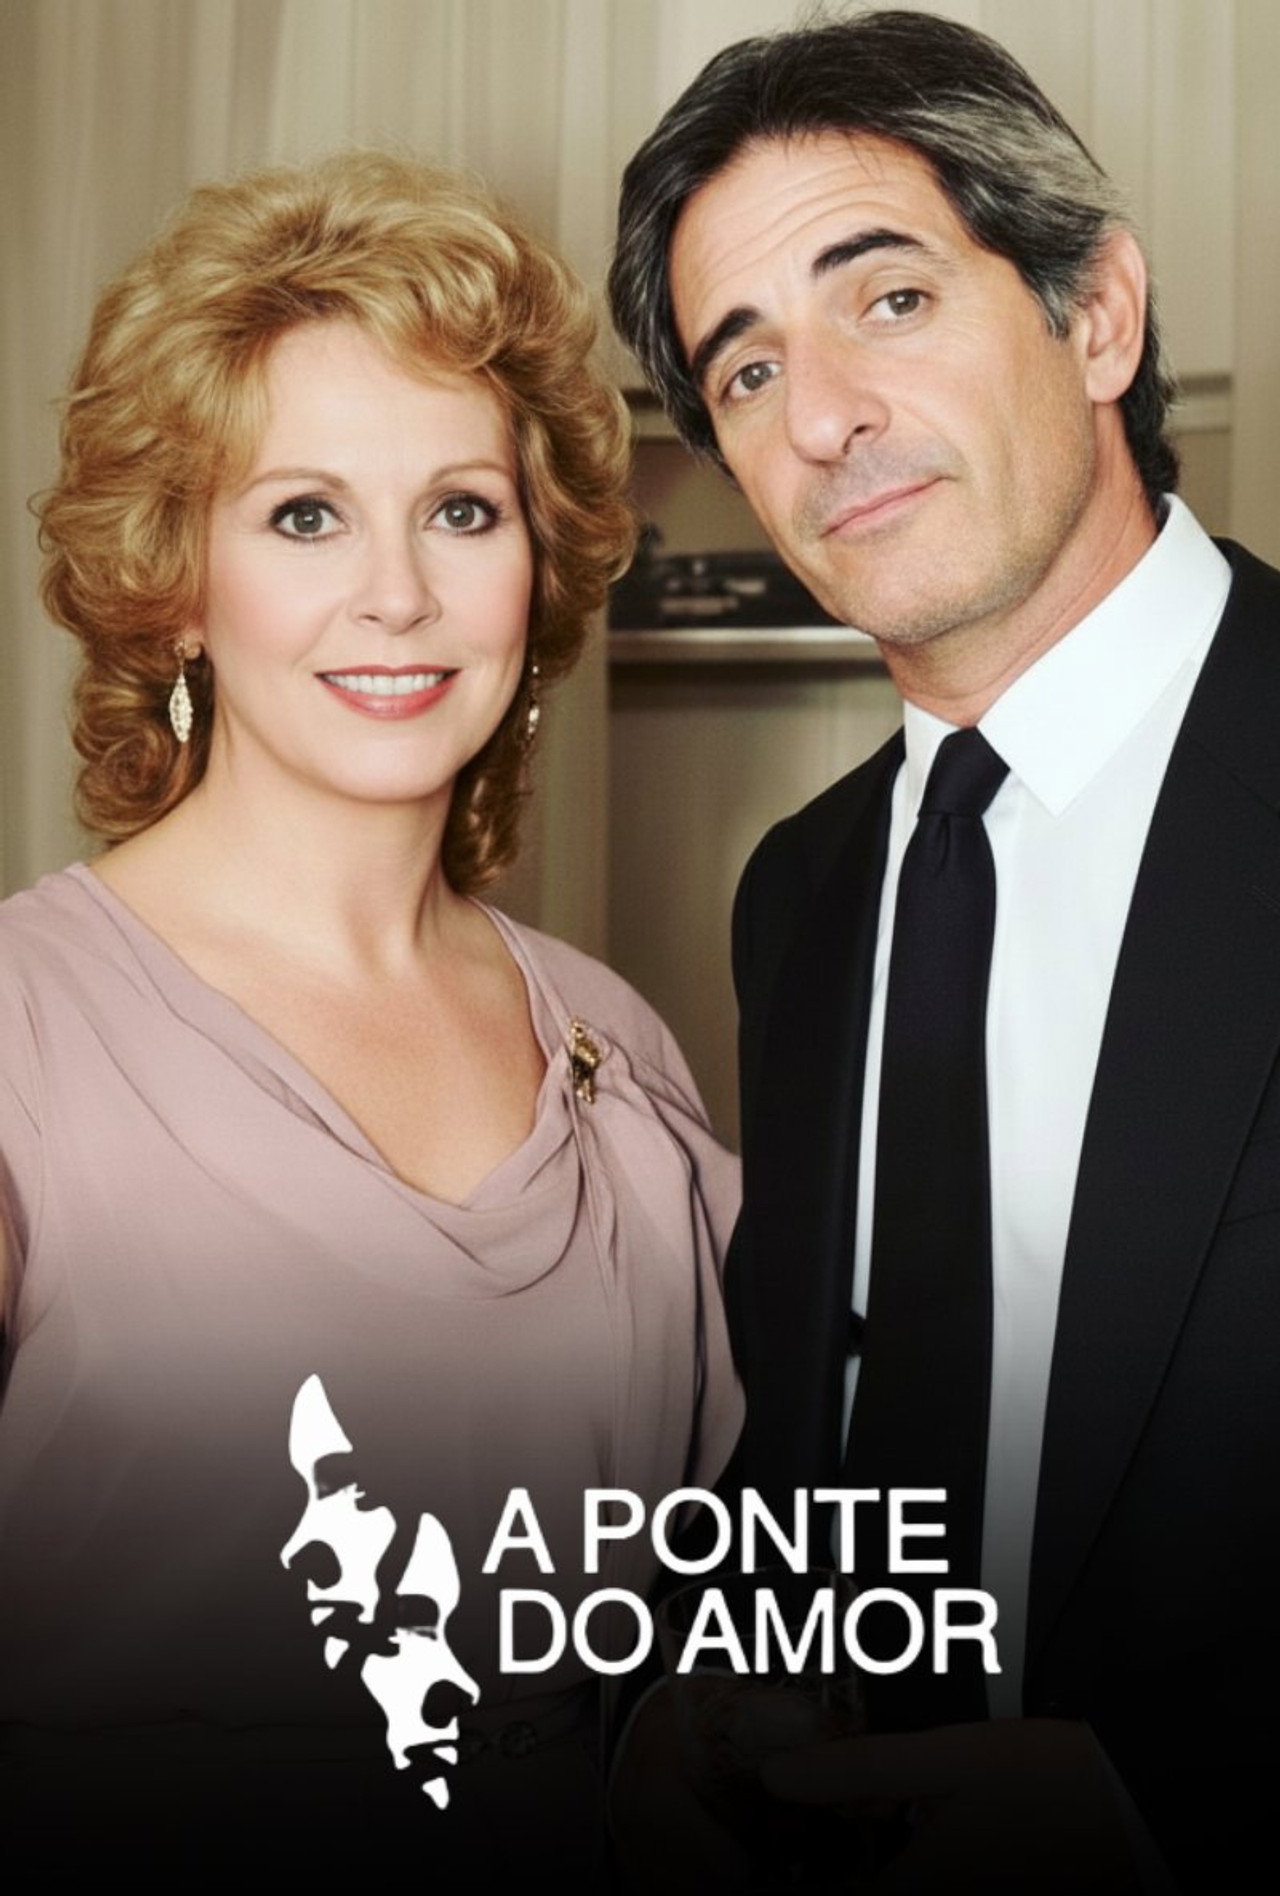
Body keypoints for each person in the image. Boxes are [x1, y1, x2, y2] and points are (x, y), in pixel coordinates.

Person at [0, 149, 743, 1886]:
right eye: (306, 514)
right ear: (177, 581)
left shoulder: (619, 1041)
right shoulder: (24, 1034)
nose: (398, 593)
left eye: (462, 512)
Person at [608, 9, 1278, 1891]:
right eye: (748, 369)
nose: (819, 416)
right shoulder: (801, 894)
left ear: (1097, 317)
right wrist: (695, 1697)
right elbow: (829, 1430)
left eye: (887, 299)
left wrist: (1168, 1834)